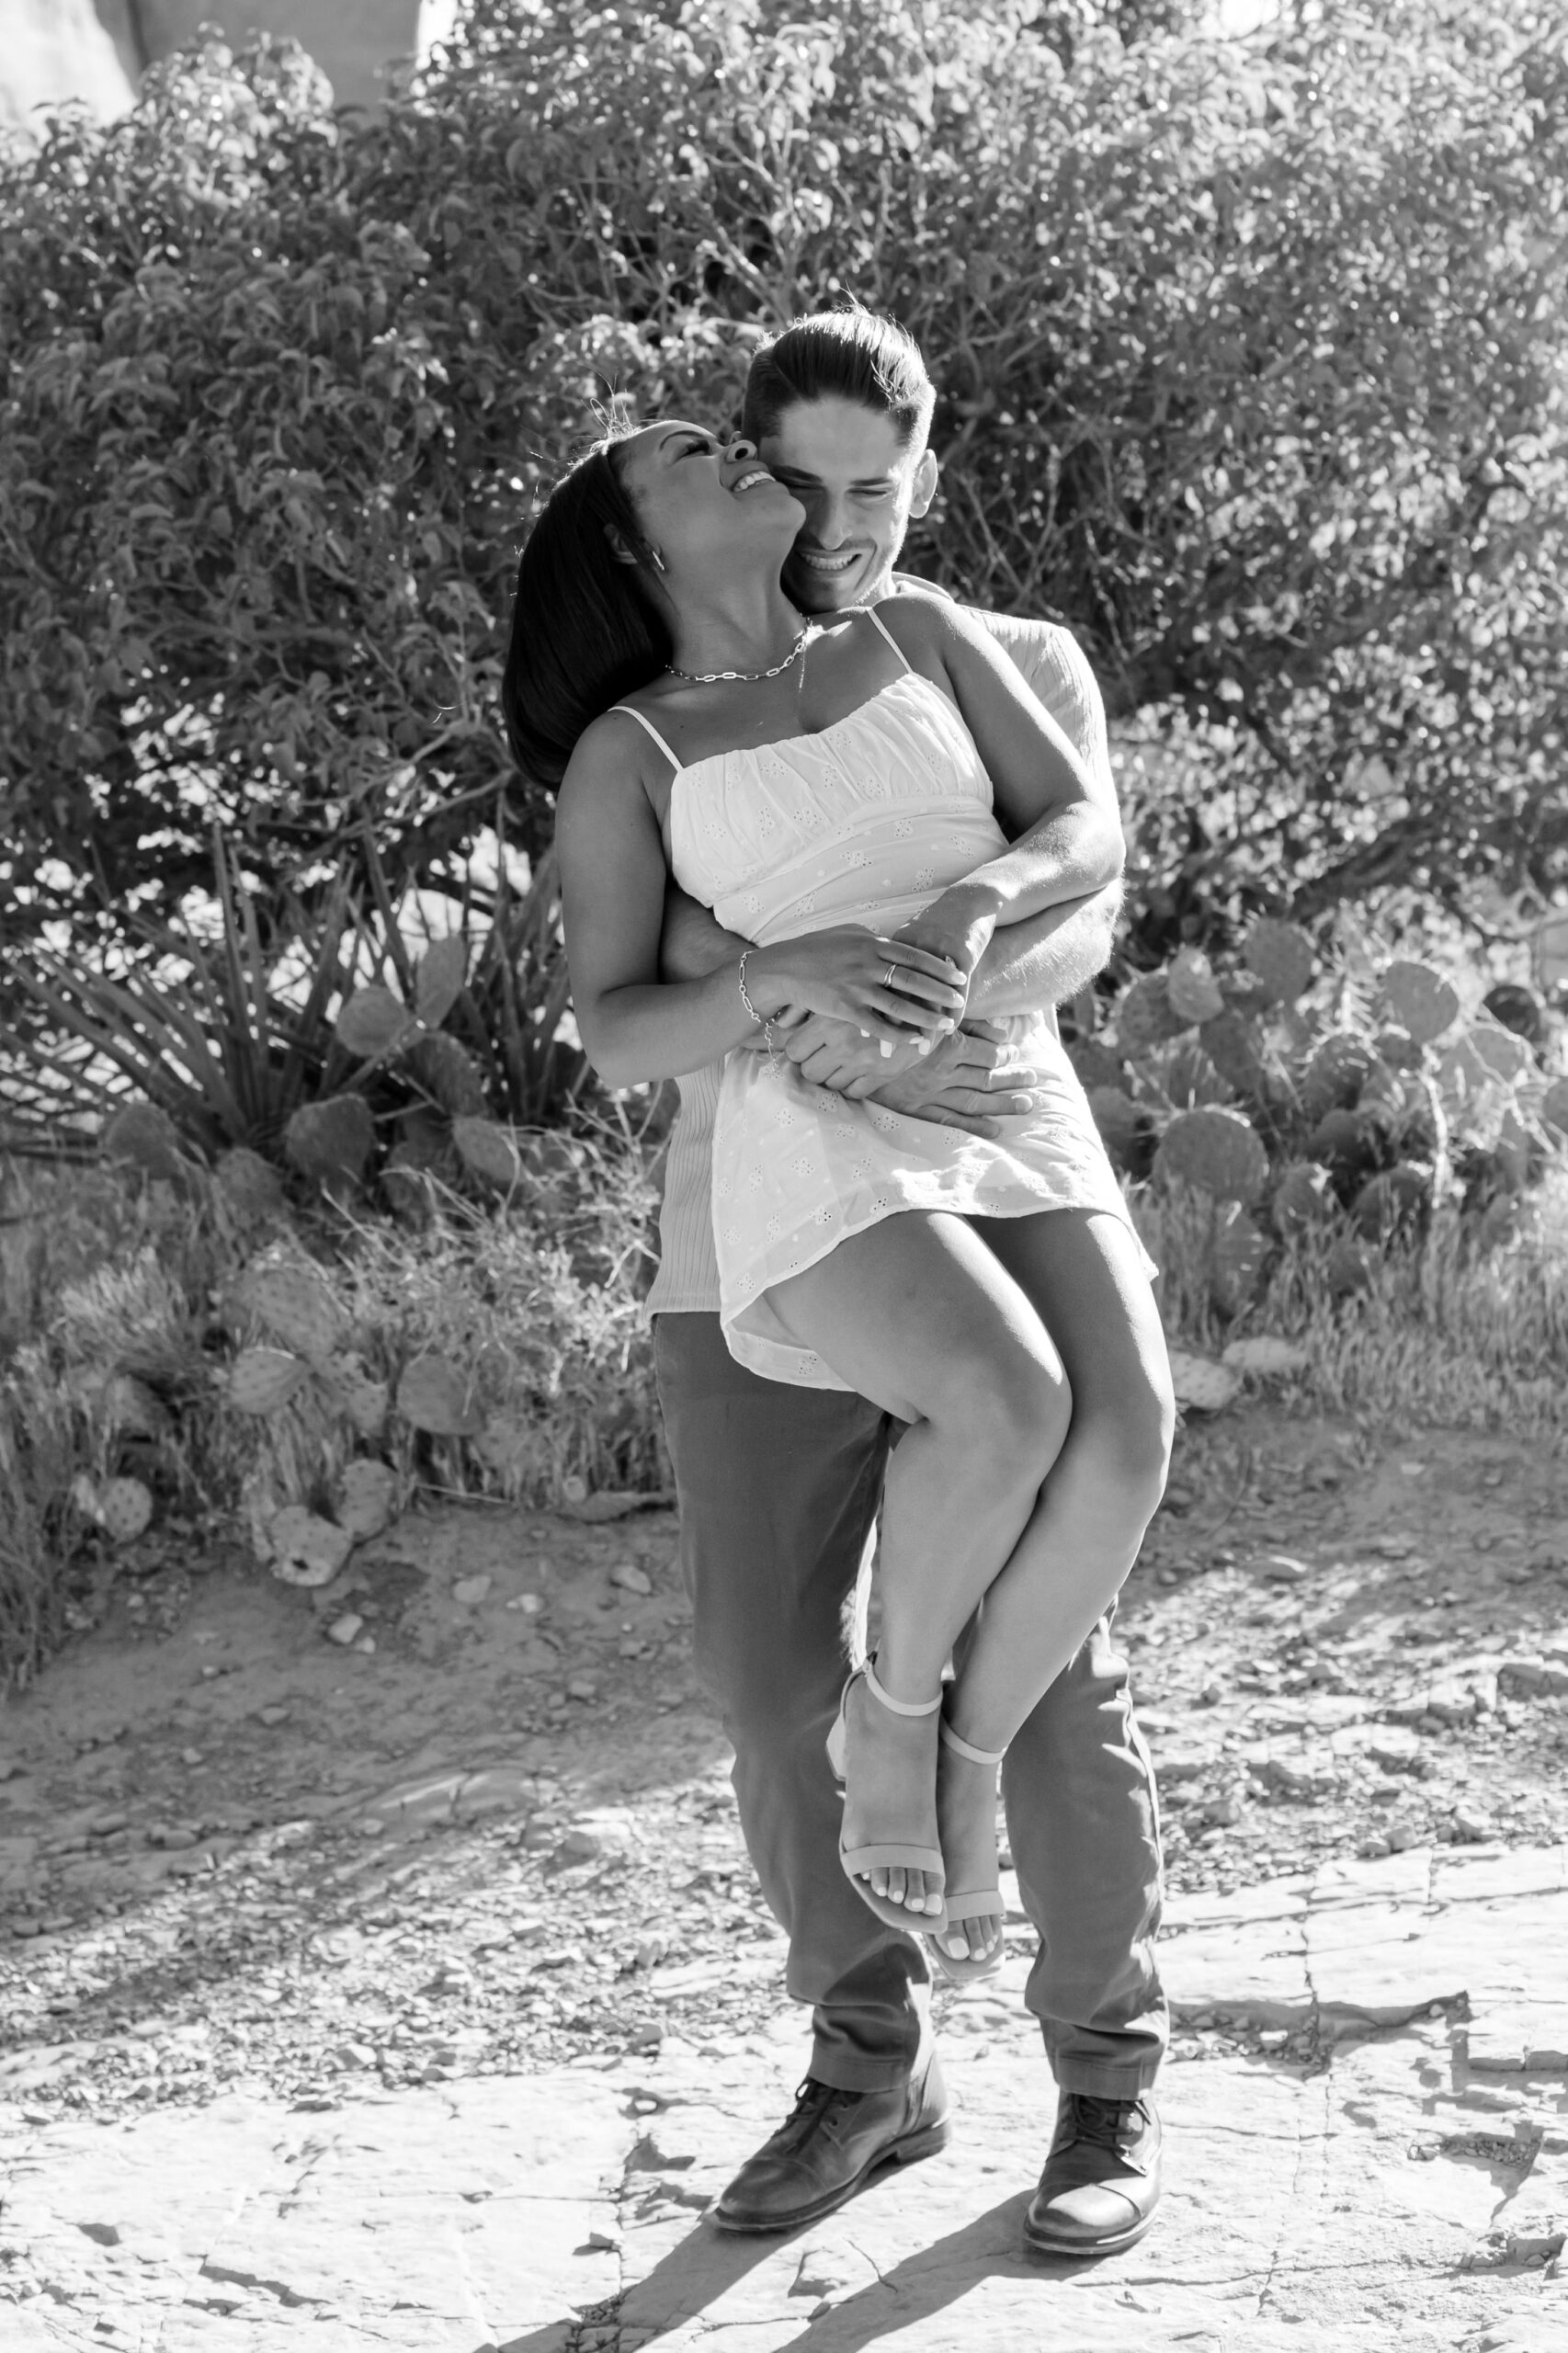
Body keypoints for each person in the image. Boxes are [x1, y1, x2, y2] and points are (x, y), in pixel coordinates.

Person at [505, 312, 1172, 2261]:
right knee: (763, 1686)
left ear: (922, 479)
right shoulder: (640, 743)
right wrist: (790, 993)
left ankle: (1100, 2069)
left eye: (872, 485)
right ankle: (871, 2059)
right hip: (752, 1232)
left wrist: (936, 981)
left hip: (983, 1135)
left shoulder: (994, 649)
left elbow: (1081, 895)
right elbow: (652, 984)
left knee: (1044, 1663)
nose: (835, 515)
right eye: (791, 479)